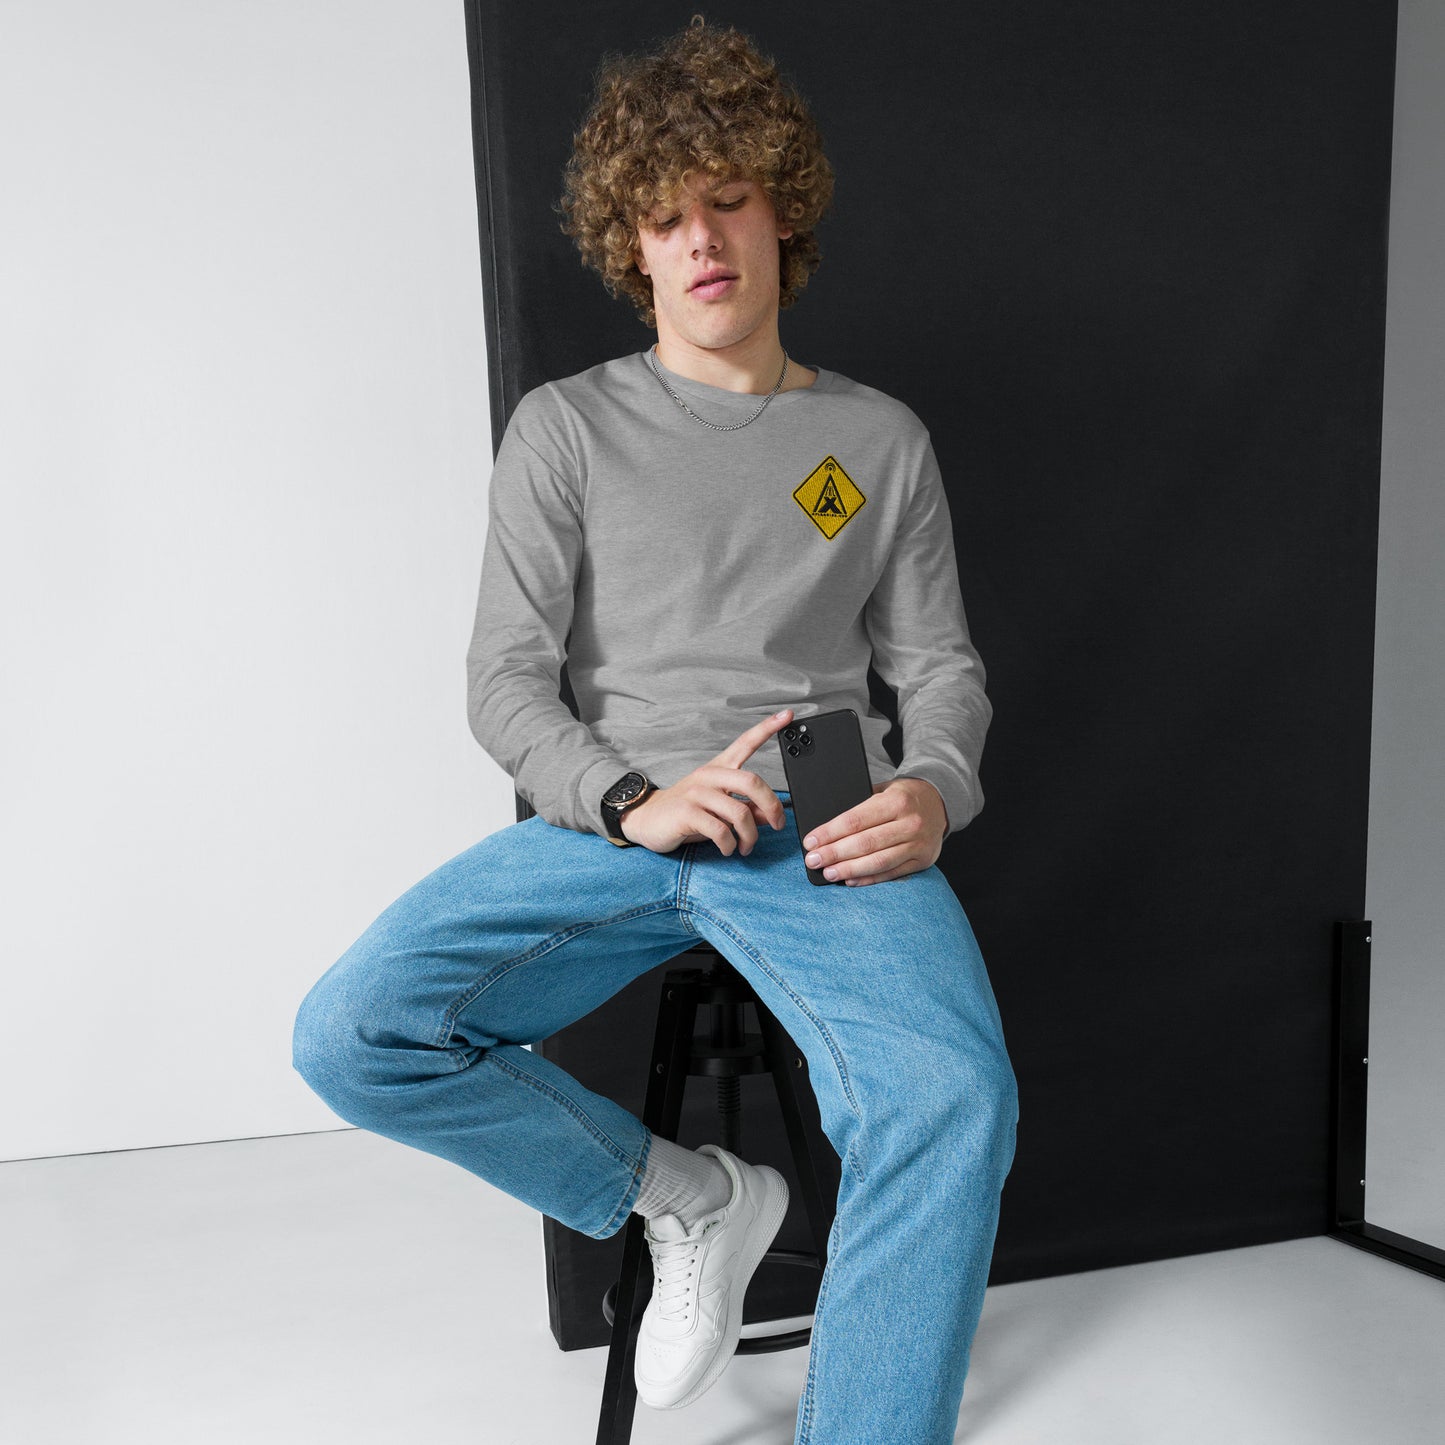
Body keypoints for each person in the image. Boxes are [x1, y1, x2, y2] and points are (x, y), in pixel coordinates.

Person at [292, 15, 1018, 1444]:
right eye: (665, 215)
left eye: (726, 200)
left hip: (820, 810)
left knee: (952, 1098)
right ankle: (685, 1197)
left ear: (779, 209)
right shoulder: (564, 429)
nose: (700, 240)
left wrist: (936, 786)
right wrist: (630, 799)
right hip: (619, 814)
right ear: (632, 244)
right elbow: (505, 683)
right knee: (352, 1032)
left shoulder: (877, 441)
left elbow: (939, 668)